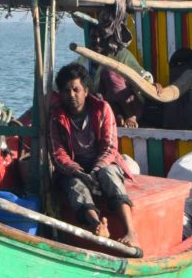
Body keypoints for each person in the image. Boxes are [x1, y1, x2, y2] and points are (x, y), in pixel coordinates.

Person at [47, 62, 140, 251]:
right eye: (66, 91)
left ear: (86, 90)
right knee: (75, 186)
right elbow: (58, 153)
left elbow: (110, 146)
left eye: (76, 89)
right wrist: (76, 171)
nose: (71, 95)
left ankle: (131, 232)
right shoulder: (57, 116)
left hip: (104, 163)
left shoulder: (102, 109)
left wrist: (97, 169)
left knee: (109, 175)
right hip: (75, 168)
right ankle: (98, 225)